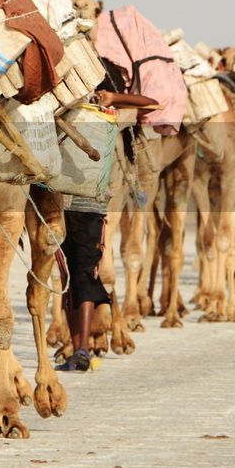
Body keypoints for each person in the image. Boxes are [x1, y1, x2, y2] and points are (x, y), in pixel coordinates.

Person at [57, 71, 157, 372]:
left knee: (83, 276)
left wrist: (113, 97)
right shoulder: (61, 109)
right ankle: (77, 348)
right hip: (66, 203)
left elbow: (152, 104)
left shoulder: (103, 110)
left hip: (82, 204)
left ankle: (83, 348)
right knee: (70, 280)